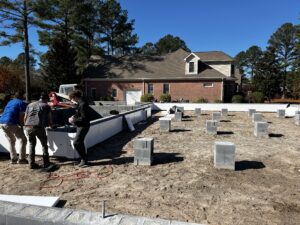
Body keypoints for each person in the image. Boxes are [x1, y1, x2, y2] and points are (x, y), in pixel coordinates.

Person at [24, 92, 53, 169]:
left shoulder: (29, 105)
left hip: (28, 127)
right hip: (38, 127)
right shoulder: (46, 105)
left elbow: (25, 118)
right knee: (44, 144)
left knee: (31, 144)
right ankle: (46, 163)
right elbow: (50, 119)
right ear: (46, 99)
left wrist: (26, 126)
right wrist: (51, 125)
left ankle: (31, 163)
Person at [0, 91, 28, 164]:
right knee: (23, 139)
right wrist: (22, 125)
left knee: (11, 140)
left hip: (2, 122)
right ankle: (22, 159)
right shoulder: (21, 103)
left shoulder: (10, 102)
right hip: (10, 122)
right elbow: (21, 116)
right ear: (22, 96)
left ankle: (13, 159)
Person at [68, 90, 91, 168]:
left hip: (83, 126)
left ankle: (84, 160)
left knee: (76, 143)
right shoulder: (80, 104)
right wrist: (74, 116)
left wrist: (74, 120)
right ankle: (84, 160)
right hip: (80, 126)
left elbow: (85, 118)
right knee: (80, 142)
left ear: (75, 97)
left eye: (72, 98)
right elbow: (80, 114)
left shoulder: (83, 104)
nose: (72, 100)